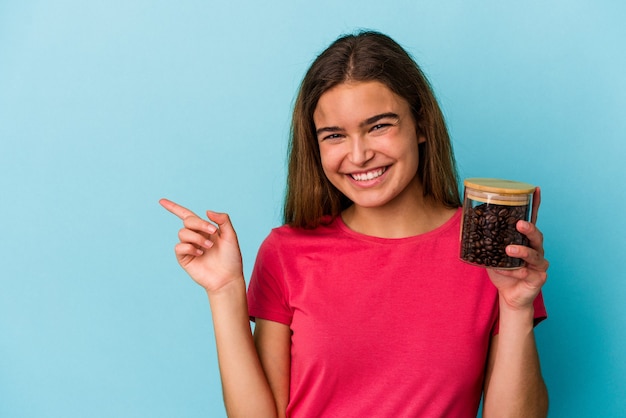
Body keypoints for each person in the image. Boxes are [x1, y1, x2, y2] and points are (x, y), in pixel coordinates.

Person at [160, 30, 549, 417]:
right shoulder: (286, 252)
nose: (359, 155)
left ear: (422, 125)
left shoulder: (485, 250)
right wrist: (226, 290)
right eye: (334, 135)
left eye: (379, 126)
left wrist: (516, 308)